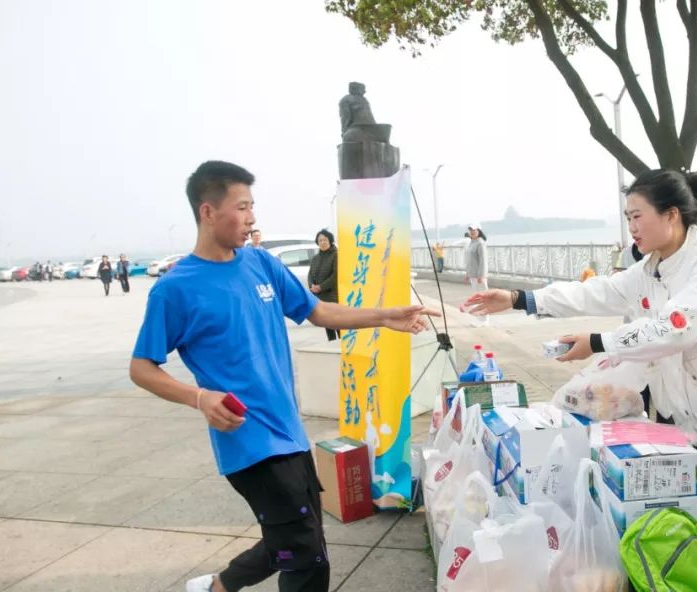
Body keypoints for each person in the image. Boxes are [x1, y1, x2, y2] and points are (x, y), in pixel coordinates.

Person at [464, 169, 697, 592]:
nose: (631, 227)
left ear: (671, 215)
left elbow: (674, 328)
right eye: (627, 217)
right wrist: (521, 298)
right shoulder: (650, 268)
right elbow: (597, 292)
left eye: (637, 216)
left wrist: (597, 341)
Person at [128, 161, 437, 592]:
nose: (252, 217)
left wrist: (385, 315)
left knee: (293, 542)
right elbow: (141, 368)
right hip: (249, 442)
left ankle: (217, 587)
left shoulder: (260, 264)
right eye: (242, 207)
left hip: (290, 432)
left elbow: (319, 311)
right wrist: (199, 397)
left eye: (253, 206)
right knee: (307, 560)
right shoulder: (175, 289)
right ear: (208, 211)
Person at [308, 228, 339, 341]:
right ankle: (331, 345)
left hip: (333, 296)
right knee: (327, 325)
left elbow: (335, 276)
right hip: (320, 298)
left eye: (325, 240)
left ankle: (342, 349)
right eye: (320, 240)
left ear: (330, 240)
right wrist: (312, 286)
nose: (322, 242)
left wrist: (321, 287)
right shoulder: (316, 258)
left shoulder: (336, 255)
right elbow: (310, 274)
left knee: (337, 324)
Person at [463, 223, 489, 325]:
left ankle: (484, 320)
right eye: (470, 230)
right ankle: (481, 319)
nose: (472, 232)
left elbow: (483, 261)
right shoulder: (472, 242)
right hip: (473, 275)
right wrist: (467, 273)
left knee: (482, 298)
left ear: (479, 231)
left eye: (474, 230)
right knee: (476, 297)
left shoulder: (480, 243)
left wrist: (481, 276)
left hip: (479, 276)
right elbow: (470, 261)